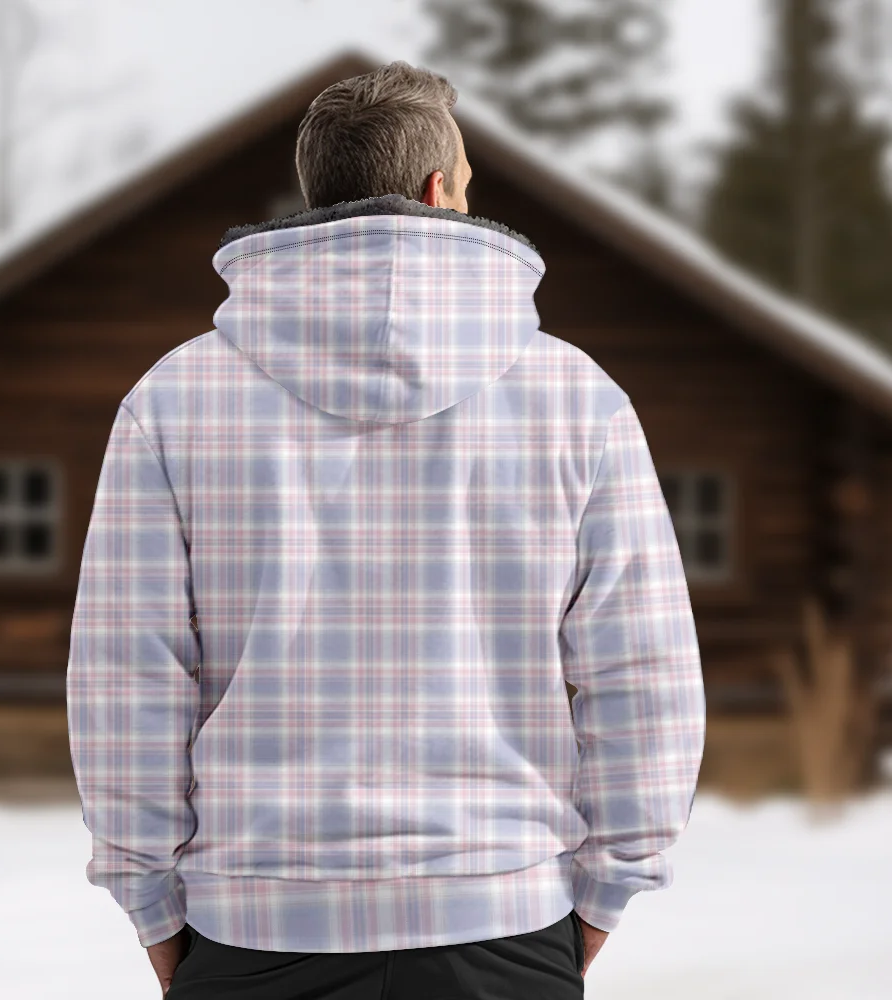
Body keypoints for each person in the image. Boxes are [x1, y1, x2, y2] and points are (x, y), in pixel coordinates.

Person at [67, 59, 706, 999]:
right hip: (504, 918)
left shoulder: (174, 400)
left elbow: (125, 678)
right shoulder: (578, 399)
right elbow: (644, 675)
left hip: (253, 925)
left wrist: (150, 903)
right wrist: (606, 892)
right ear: (440, 190)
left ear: (317, 194)